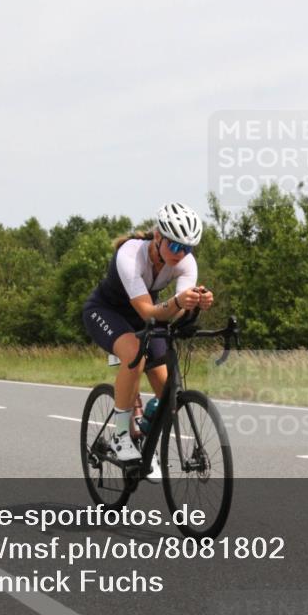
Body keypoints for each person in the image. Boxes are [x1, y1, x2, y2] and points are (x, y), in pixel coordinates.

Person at [81, 202, 214, 483]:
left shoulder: (186, 264)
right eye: (175, 246)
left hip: (148, 313)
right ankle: (119, 435)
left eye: (188, 248)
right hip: (107, 310)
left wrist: (194, 305)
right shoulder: (130, 254)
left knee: (168, 393)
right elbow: (148, 312)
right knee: (134, 354)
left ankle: (145, 435)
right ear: (158, 237)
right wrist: (178, 302)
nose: (181, 254)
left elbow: (174, 311)